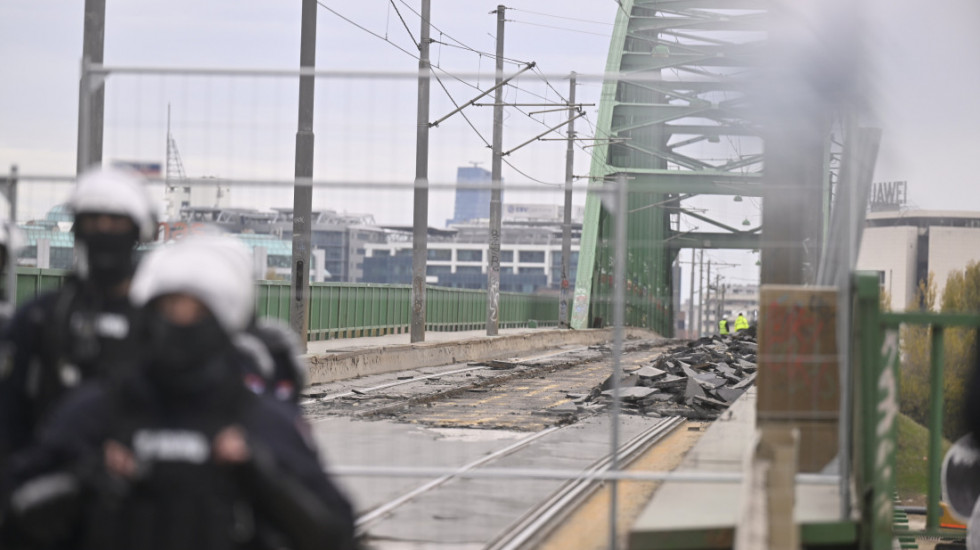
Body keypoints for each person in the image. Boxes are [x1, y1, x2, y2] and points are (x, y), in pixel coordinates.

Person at [2, 234, 355, 550]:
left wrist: (262, 480)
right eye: (168, 308)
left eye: (197, 311)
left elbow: (336, 533)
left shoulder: (261, 422)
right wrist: (81, 483)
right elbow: (14, 513)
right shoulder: (94, 411)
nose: (180, 322)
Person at [0, 166, 157, 470]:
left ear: (139, 230)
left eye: (116, 222)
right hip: (53, 478)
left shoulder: (163, 319)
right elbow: (9, 417)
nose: (104, 230)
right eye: (93, 221)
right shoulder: (39, 317)